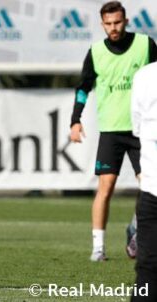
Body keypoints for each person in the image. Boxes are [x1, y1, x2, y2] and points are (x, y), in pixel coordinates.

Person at [70, 1, 157, 262]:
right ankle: (98, 247)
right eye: (108, 24)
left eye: (117, 22)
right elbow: (83, 88)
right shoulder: (96, 52)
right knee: (105, 188)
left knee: (150, 186)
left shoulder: (145, 45)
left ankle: (136, 228)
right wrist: (75, 120)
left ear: (126, 21)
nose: (113, 28)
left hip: (141, 130)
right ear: (102, 24)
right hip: (110, 130)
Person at [130, 60, 157, 302]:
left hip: (151, 192)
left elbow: (137, 127)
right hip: (151, 191)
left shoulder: (144, 76)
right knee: (147, 269)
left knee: (148, 268)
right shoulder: (145, 76)